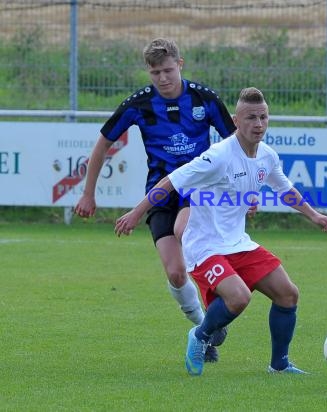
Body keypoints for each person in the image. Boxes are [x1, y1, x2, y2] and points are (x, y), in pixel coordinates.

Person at [114, 87, 327, 376]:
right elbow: (171, 181)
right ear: (235, 120)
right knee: (239, 298)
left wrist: (314, 215)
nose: (258, 124)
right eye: (250, 118)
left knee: (288, 294)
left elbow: (284, 189)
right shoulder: (217, 156)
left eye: (263, 117)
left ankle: (279, 365)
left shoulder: (267, 156)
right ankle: (201, 335)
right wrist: (137, 211)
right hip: (204, 246)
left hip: (238, 243)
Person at [74, 38, 236, 360]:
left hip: (198, 190)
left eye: (167, 70)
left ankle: (216, 303)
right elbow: (102, 144)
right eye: (155, 72)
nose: (162, 78)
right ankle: (203, 330)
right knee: (175, 273)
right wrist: (88, 193)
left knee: (183, 229)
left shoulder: (205, 98)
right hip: (159, 193)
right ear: (148, 72)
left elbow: (235, 144)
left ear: (181, 64)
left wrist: (243, 189)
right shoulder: (140, 104)